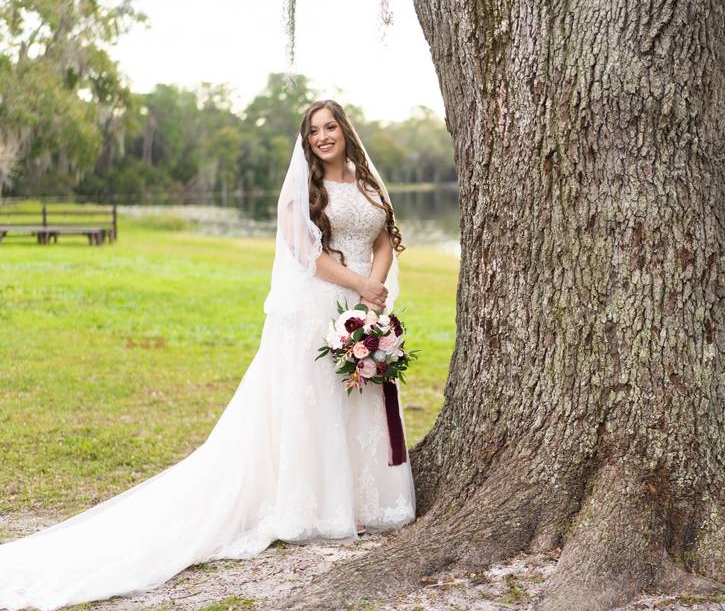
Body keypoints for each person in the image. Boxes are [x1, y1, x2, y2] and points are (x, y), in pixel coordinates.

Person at [0, 100, 416, 609]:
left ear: (345, 131)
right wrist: (356, 286)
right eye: (313, 131)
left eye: (330, 127)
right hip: (318, 308)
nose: (323, 137)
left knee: (356, 401)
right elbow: (306, 255)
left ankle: (360, 502)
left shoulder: (368, 180)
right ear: (305, 141)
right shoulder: (299, 192)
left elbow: (383, 237)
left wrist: (373, 290)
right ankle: (318, 507)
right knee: (318, 402)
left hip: (362, 304)